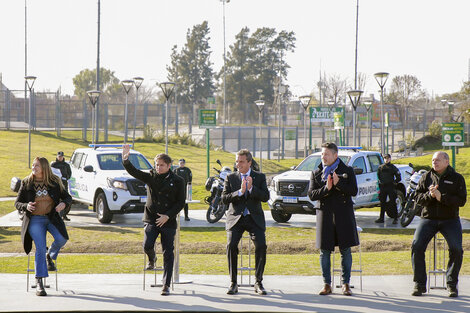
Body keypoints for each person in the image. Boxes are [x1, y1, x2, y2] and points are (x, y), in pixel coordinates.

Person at [121, 144, 185, 296]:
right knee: (147, 244)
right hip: (151, 218)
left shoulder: (178, 180)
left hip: (168, 220)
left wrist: (167, 216)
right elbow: (134, 172)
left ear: (169, 166)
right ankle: (152, 258)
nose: (158, 167)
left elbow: (180, 203)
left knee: (168, 252)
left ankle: (166, 284)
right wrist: (126, 159)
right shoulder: (151, 176)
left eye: (162, 165)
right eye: (157, 164)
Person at [411, 151, 466, 297]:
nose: (434, 162)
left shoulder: (457, 178)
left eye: (437, 160)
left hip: (450, 220)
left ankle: (451, 284)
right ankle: (419, 284)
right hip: (428, 218)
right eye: (433, 160)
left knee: (456, 249)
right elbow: (417, 198)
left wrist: (442, 197)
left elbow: (461, 201)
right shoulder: (426, 177)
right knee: (416, 246)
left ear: (446, 162)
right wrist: (429, 196)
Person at [14, 157, 71, 296]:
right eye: (33, 165)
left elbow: (67, 197)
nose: (33, 167)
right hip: (34, 220)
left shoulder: (54, 182)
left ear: (44, 168)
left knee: (62, 239)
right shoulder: (26, 183)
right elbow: (17, 203)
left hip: (51, 218)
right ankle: (39, 281)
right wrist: (26, 205)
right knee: (39, 247)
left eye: (37, 166)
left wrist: (64, 204)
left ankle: (50, 255)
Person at [308, 142, 359, 296]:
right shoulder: (316, 173)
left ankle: (345, 284)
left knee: (345, 250)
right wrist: (327, 188)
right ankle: (326, 284)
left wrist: (338, 184)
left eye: (327, 154)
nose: (323, 157)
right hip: (325, 214)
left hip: (343, 214)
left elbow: (353, 191)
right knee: (324, 251)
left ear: (335, 155)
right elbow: (311, 195)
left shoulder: (347, 170)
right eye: (322, 154)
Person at [222, 149, 269, 295]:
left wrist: (252, 188)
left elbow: (266, 197)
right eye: (237, 161)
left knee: (261, 245)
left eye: (241, 161)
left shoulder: (259, 177)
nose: (238, 164)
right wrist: (240, 192)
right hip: (236, 218)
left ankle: (258, 282)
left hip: (254, 218)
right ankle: (233, 282)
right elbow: (224, 198)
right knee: (231, 245)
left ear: (249, 162)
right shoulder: (231, 177)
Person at [376, 153, 401, 224]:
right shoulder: (380, 167)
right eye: (385, 158)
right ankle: (381, 218)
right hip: (383, 187)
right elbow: (378, 176)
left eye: (388, 158)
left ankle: (395, 218)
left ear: (390, 159)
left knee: (393, 202)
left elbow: (398, 177)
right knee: (382, 203)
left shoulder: (393, 167)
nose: (386, 160)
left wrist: (394, 183)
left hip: (390, 187)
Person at [51, 151, 72, 221]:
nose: (60, 158)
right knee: (56, 200)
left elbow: (69, 173)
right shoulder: (53, 165)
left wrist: (66, 177)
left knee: (65, 200)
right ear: (57, 156)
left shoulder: (66, 165)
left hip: (64, 184)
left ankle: (64, 214)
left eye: (61, 157)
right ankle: (56, 215)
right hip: (56, 184)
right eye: (59, 156)